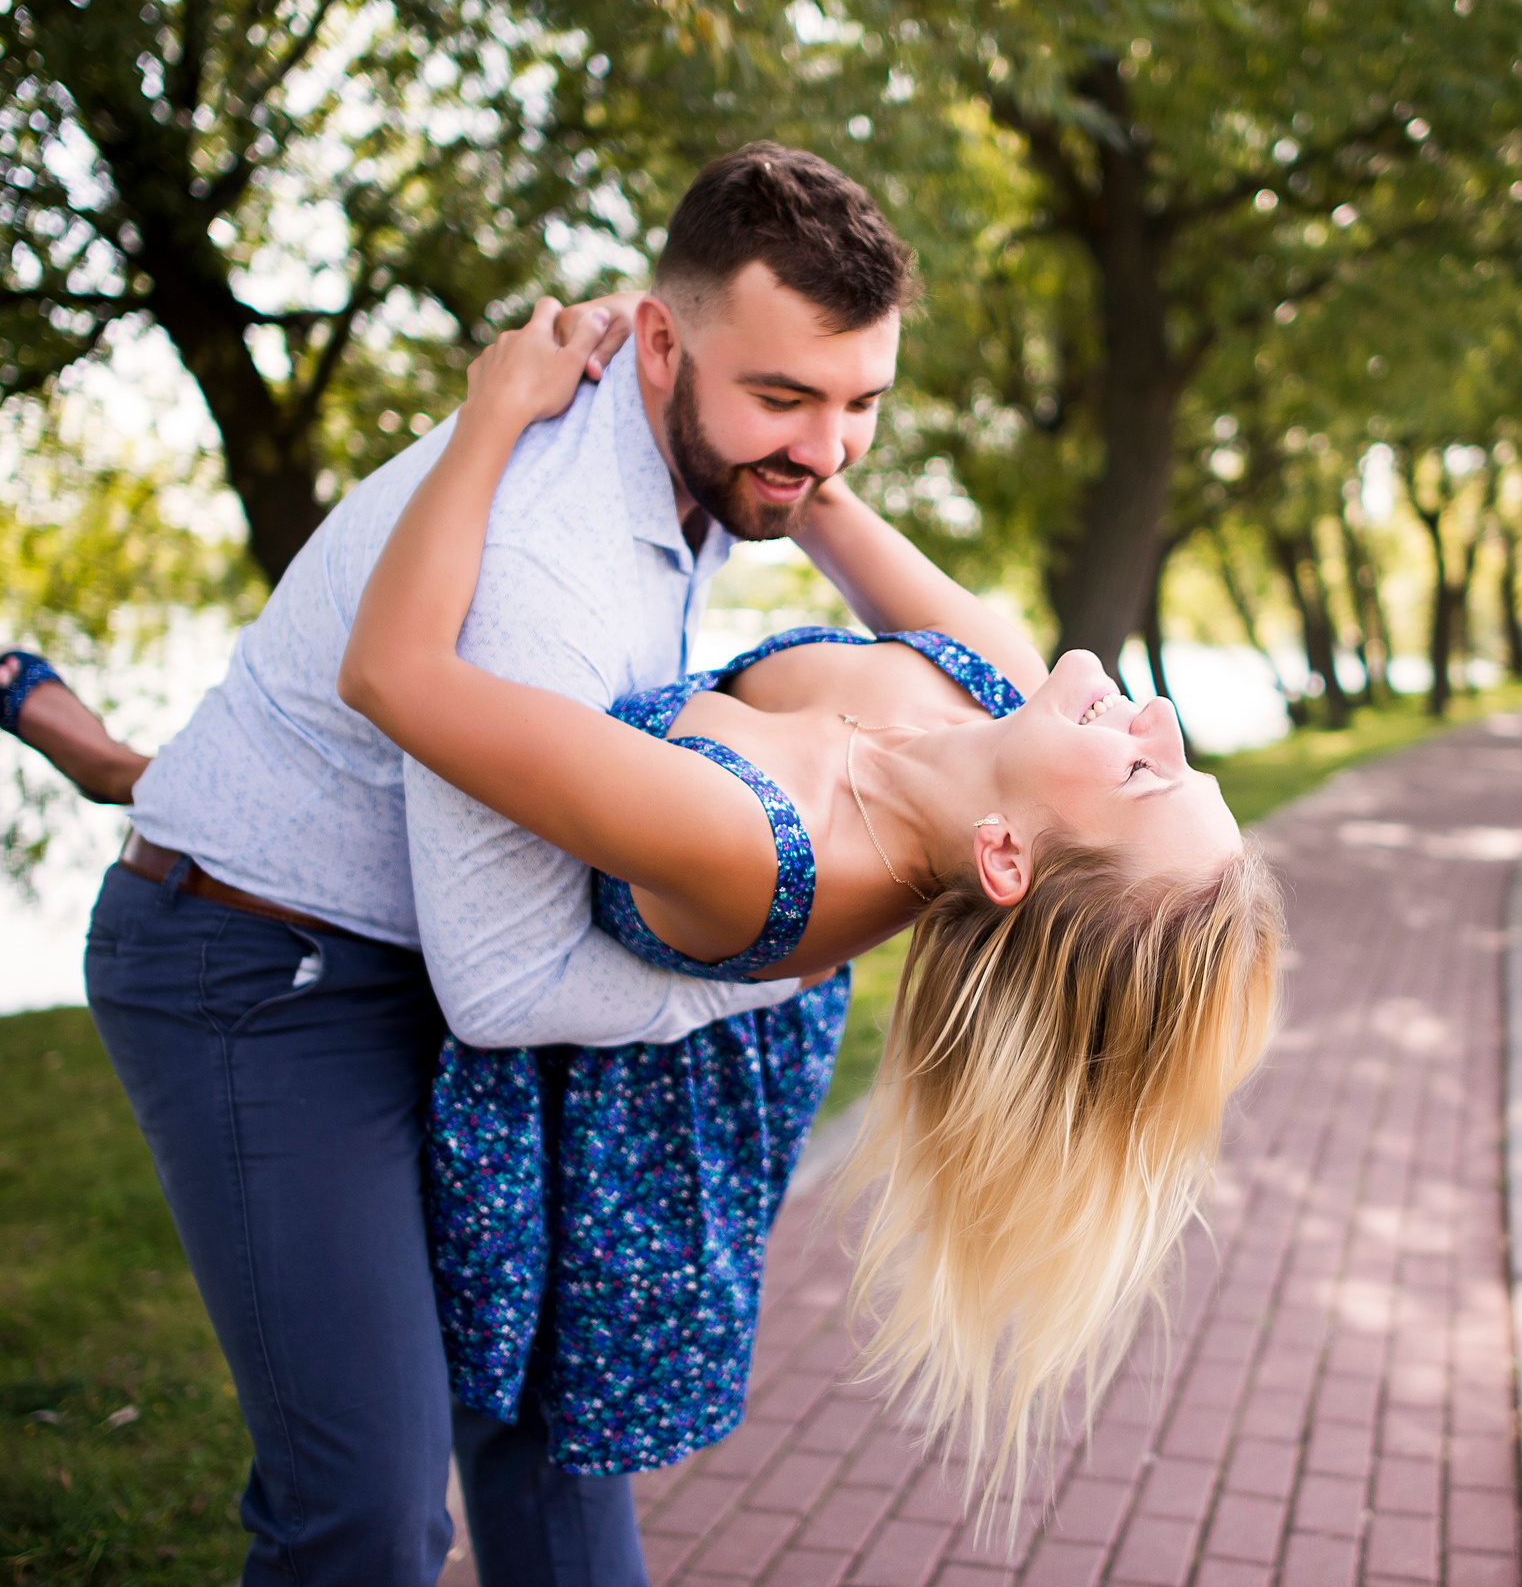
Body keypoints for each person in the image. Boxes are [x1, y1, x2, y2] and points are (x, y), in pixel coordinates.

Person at [0, 144, 928, 1587]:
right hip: (267, 964)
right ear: (660, 344)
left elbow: (975, 649)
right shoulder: (546, 562)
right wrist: (777, 969)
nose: (829, 444)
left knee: (551, 1417)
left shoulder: (689, 432)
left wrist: (801, 452)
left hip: (423, 912)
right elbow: (506, 987)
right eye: (786, 397)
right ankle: (116, 761)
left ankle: (104, 752)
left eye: (863, 404)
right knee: (365, 1513)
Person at [337, 287, 1283, 1512]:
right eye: (1186, 757)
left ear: (1005, 857)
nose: (1155, 718)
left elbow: (392, 673)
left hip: (612, 1108)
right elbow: (806, 485)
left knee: (520, 1466)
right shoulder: (997, 694)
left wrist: (494, 411)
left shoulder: (746, 842)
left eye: (1146, 774)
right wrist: (704, 340)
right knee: (532, 1475)